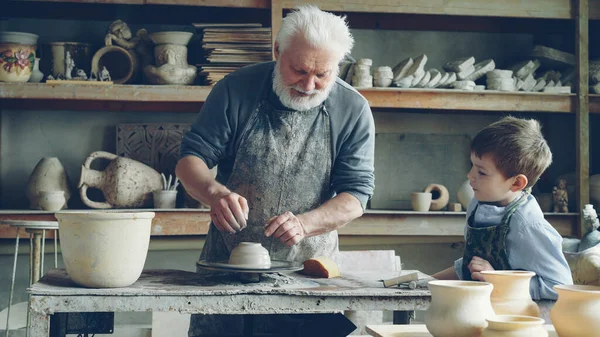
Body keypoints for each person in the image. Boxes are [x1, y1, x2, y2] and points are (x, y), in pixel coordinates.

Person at [176, 5, 375, 336]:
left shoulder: (352, 109)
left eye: (323, 74)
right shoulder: (235, 90)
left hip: (309, 274)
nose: (309, 85)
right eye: (299, 70)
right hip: (228, 265)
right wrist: (214, 193)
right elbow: (190, 159)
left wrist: (305, 224)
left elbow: (356, 195)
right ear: (277, 51)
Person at [432, 116, 573, 300]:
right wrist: (427, 281)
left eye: (481, 172)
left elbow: (560, 286)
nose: (470, 175)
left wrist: (497, 278)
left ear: (516, 183)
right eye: (472, 166)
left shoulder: (527, 225)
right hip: (481, 308)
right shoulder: (477, 204)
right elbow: (472, 266)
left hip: (518, 318)